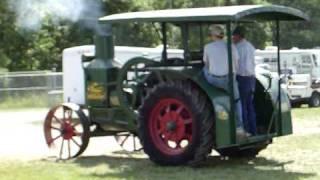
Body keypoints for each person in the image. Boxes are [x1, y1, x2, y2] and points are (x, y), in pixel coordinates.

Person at [202, 24, 246, 137]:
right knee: (237, 101)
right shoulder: (231, 46)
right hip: (230, 80)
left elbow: (206, 64)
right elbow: (236, 63)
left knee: (203, 71)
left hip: (214, 80)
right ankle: (239, 127)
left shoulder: (208, 47)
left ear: (213, 35)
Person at [232, 26, 257, 135]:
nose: (233, 38)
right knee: (249, 106)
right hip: (251, 78)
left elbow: (235, 64)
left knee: (241, 106)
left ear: (238, 36)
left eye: (234, 36)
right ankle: (253, 130)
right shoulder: (250, 47)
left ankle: (245, 130)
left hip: (241, 78)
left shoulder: (237, 48)